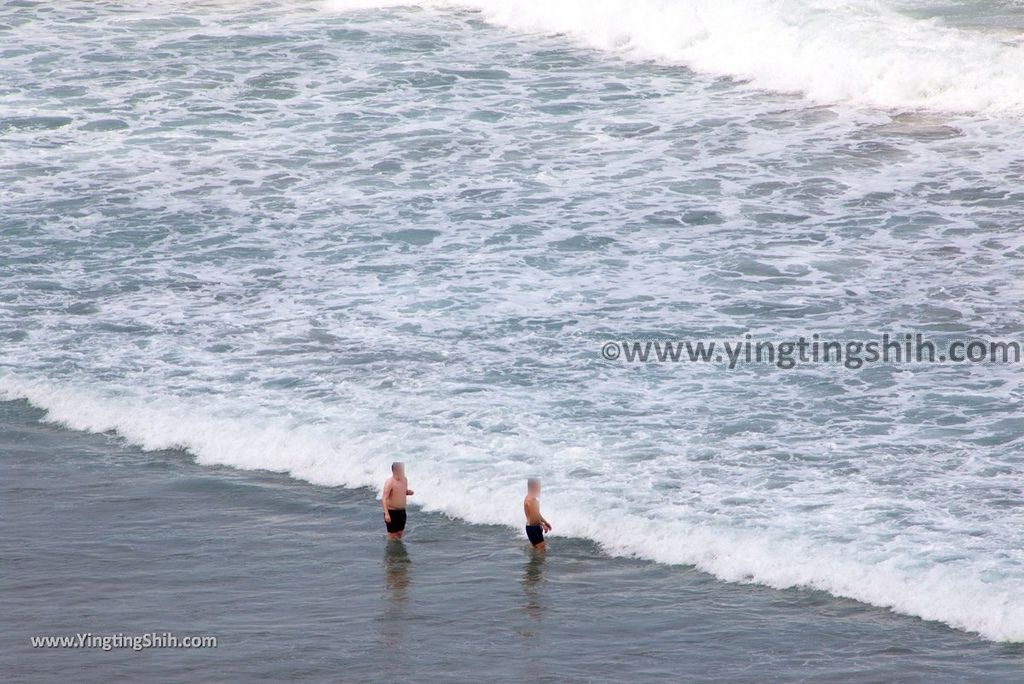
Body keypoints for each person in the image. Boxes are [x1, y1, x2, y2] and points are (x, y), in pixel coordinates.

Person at [382, 462, 414, 541]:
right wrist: (386, 514)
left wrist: (407, 492)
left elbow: (401, 491)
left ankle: (398, 552)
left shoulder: (405, 479)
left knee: (400, 534)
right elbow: (384, 498)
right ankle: (390, 552)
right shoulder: (389, 483)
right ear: (395, 471)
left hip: (402, 511)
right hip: (392, 511)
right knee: (392, 535)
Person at [523, 478, 552, 550]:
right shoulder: (531, 500)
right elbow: (534, 517)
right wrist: (543, 525)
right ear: (533, 486)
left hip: (531, 527)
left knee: (535, 550)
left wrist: (545, 522)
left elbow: (537, 513)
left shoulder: (528, 497)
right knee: (541, 552)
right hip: (533, 528)